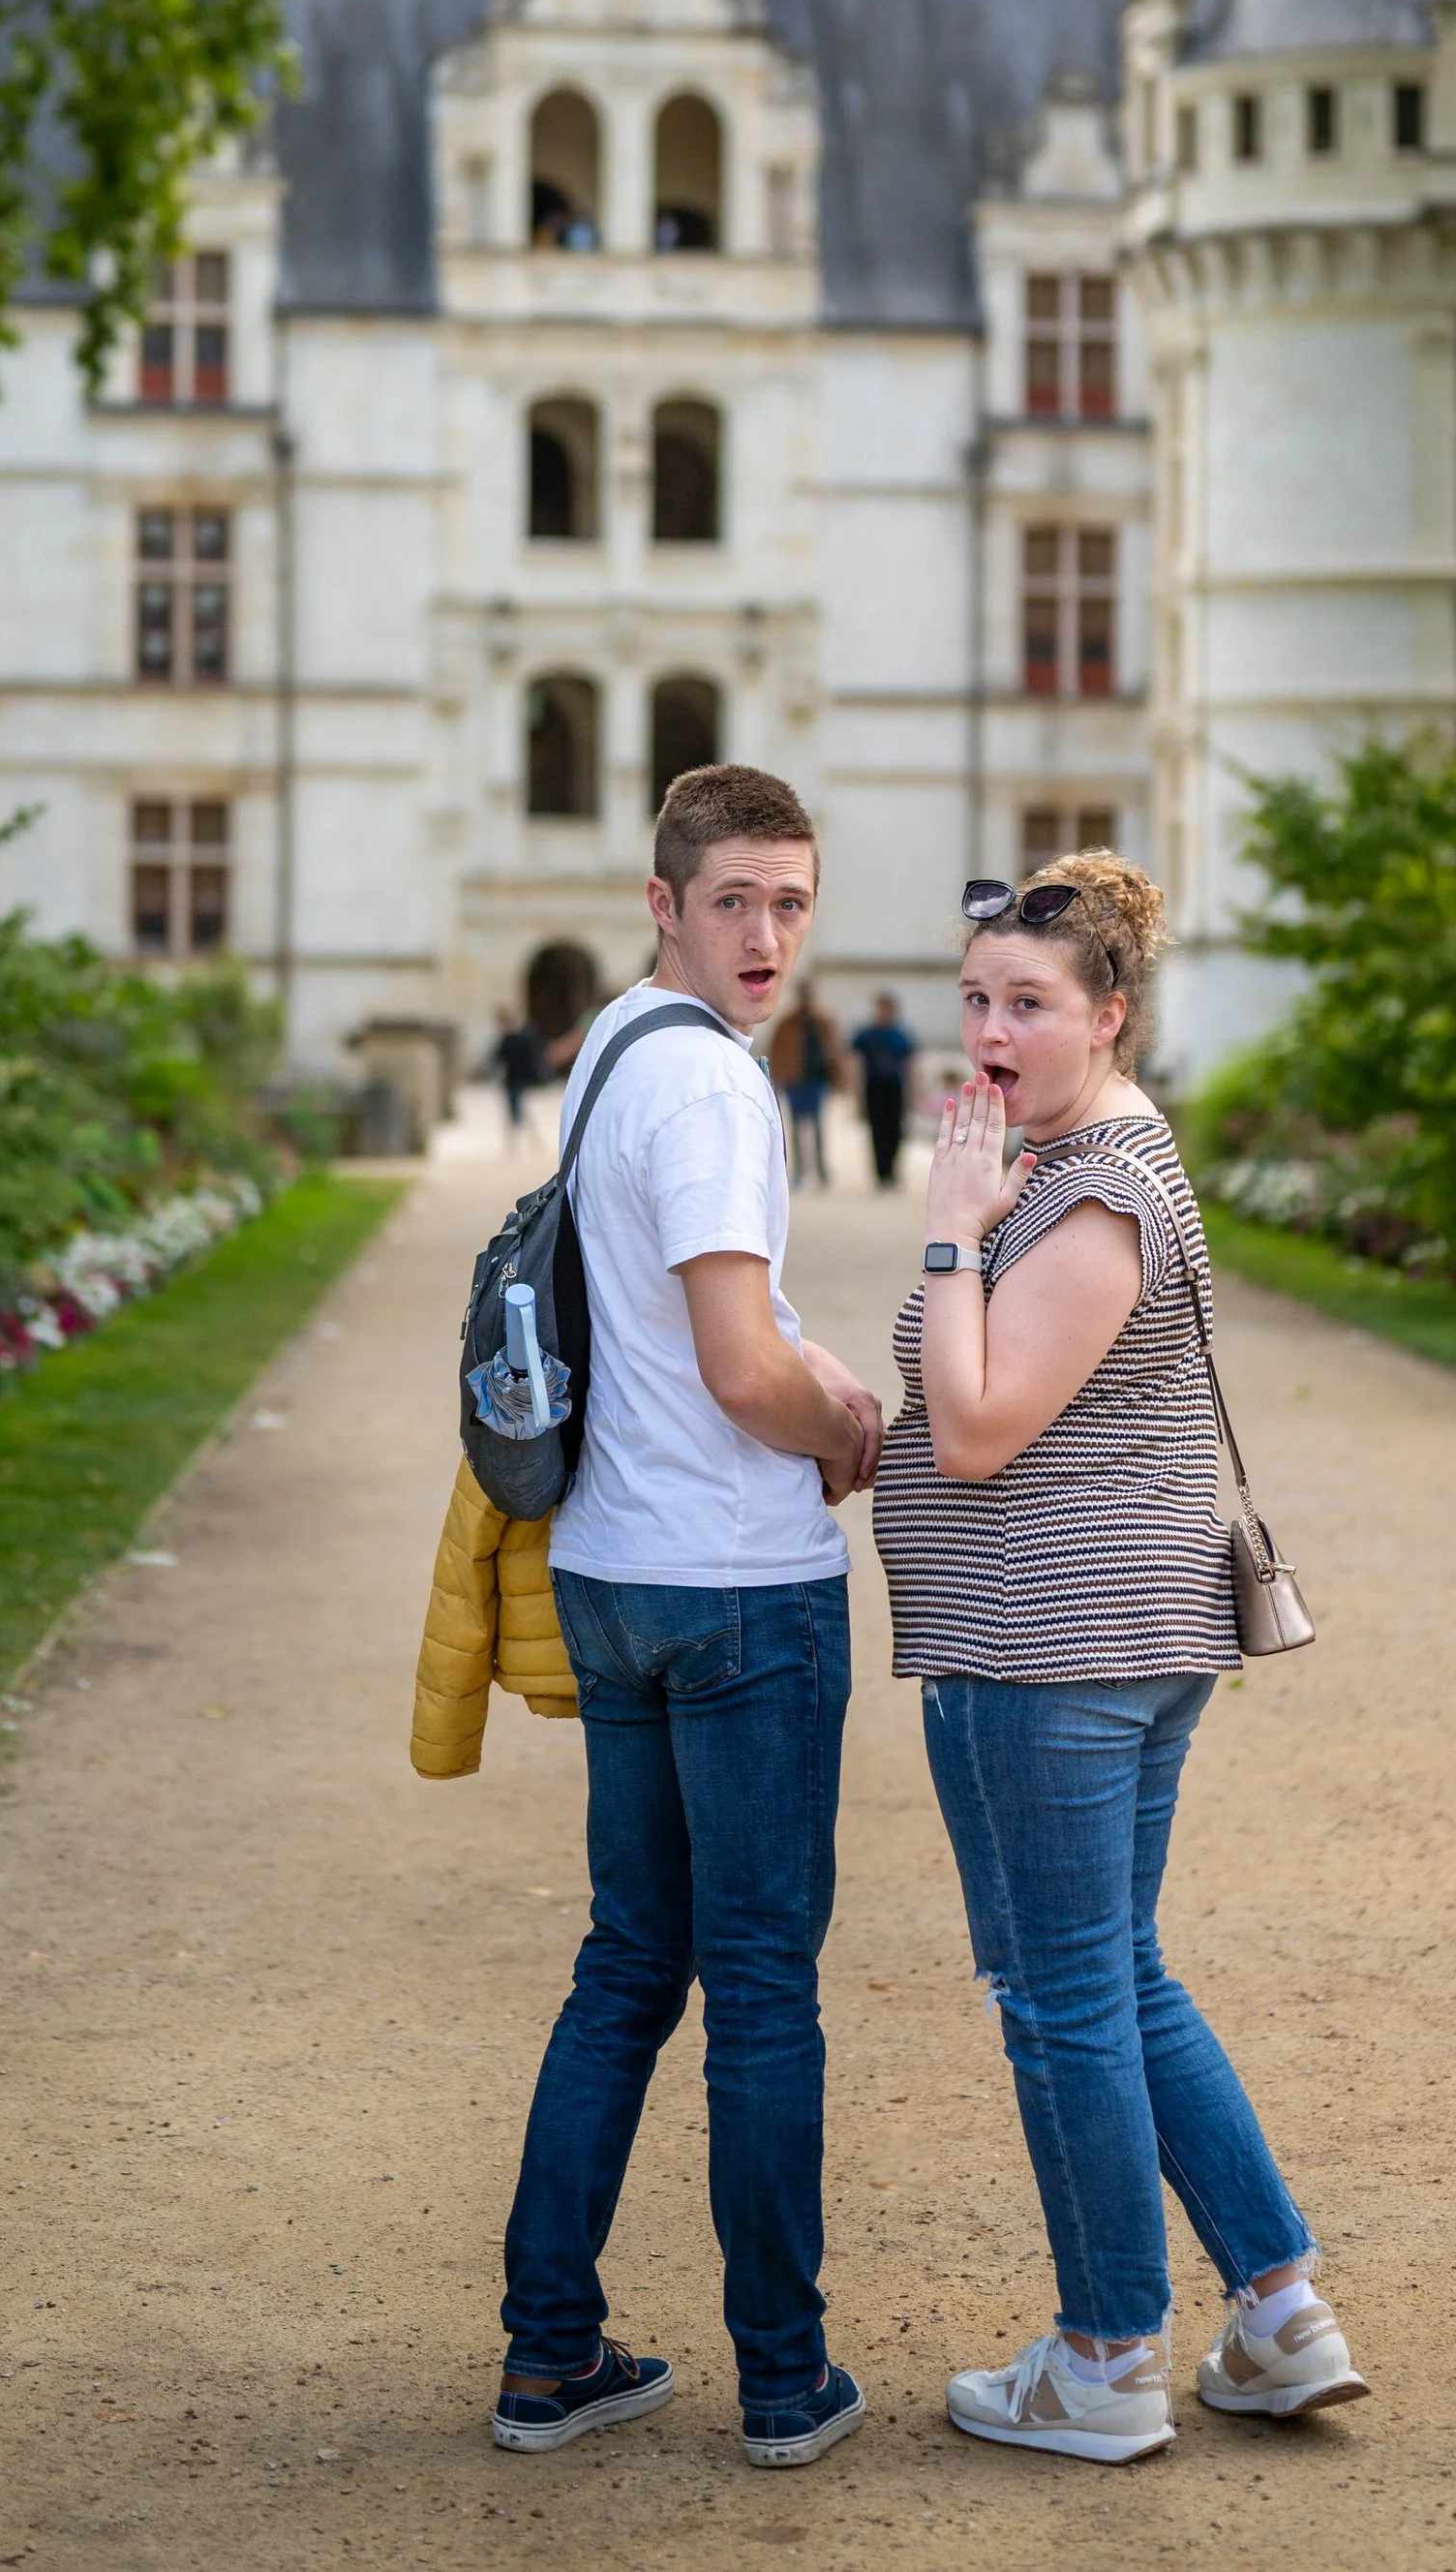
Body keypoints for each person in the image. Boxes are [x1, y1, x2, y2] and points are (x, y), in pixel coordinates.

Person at [868, 849, 1368, 2466]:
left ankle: (1102, 2356)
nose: (992, 1030)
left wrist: (951, 1235)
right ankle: (1282, 2316)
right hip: (1104, 1639)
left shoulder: (1089, 1187)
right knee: (1116, 1976)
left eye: (1030, 1004)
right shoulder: (1079, 1156)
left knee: (1059, 1991)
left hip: (1052, 1653)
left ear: (1111, 1016)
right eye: (977, 999)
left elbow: (982, 1422)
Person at [492, 764, 884, 2473]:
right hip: (737, 1591)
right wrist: (849, 1424)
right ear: (663, 900)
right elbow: (738, 1367)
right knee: (763, 1992)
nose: (768, 935)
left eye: (792, 902)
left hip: (609, 1568)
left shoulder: (611, 1051)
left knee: (626, 1963)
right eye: (735, 900)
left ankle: (548, 2354)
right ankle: (784, 2377)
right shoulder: (717, 1088)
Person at [767, 992, 838, 1187]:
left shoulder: (822, 1021)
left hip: (816, 1079)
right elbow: (777, 1049)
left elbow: (834, 1048)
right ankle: (799, 1170)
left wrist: (835, 1077)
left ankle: (820, 1169)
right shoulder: (788, 1023)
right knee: (797, 1127)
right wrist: (778, 1077)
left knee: (817, 1127)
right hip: (795, 1080)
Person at [849, 991, 917, 1189]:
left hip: (895, 1088)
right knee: (876, 1131)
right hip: (874, 1087)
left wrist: (913, 1091)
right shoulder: (866, 1034)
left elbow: (910, 1064)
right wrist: (856, 1091)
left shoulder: (900, 1035)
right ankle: (880, 1173)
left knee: (895, 1130)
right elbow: (855, 1063)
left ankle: (892, 1170)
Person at [494, 1003, 546, 1146]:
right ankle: (517, 1138)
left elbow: (533, 1056)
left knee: (520, 1107)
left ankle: (524, 1137)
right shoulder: (509, 1037)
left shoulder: (525, 1035)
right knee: (515, 1108)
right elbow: (499, 1057)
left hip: (521, 1077)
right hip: (512, 1077)